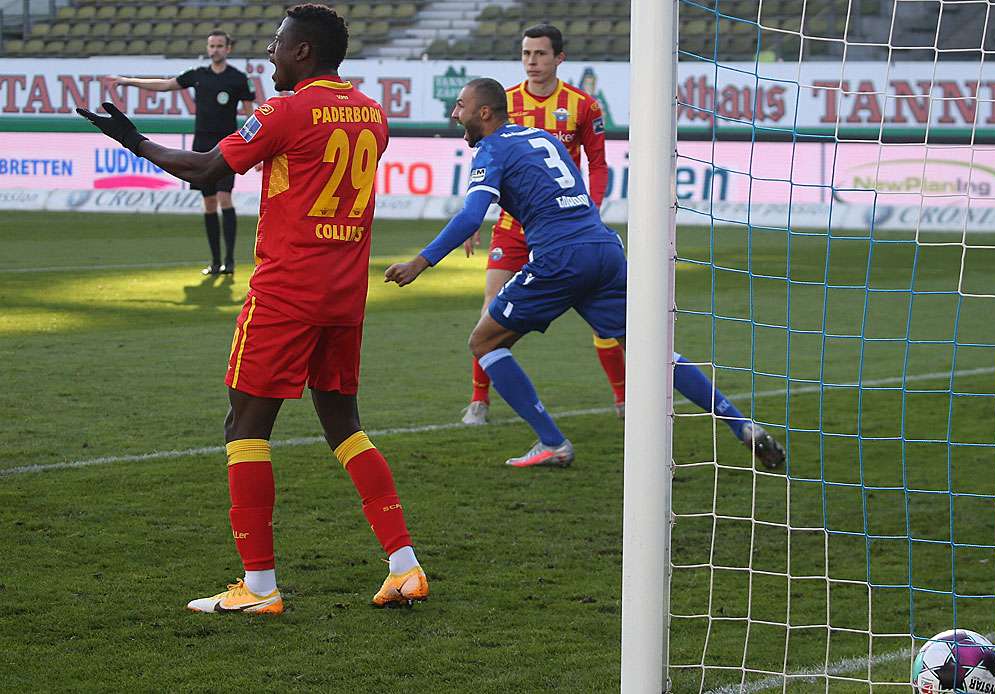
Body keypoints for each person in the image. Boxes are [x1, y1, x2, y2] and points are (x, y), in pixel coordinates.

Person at [78, 4, 428, 614]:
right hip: (344, 294)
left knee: (244, 428)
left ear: (303, 53)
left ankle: (259, 587)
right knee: (344, 425)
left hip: (287, 291)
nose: (269, 54)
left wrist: (132, 140)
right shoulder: (372, 114)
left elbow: (208, 168)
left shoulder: (286, 110)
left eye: (277, 43)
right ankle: (405, 566)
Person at [385, 78, 787, 470]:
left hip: (559, 258)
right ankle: (742, 424)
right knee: (652, 352)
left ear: (484, 113)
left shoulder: (490, 149)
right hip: (604, 248)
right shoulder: (539, 137)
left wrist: (420, 262)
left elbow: (472, 213)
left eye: (461, 106)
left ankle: (553, 443)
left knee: (484, 342)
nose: (455, 113)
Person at [458, 23, 624, 427]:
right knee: (489, 311)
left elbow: (599, 164)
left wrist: (591, 209)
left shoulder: (583, 105)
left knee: (607, 323)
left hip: (566, 228)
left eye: (541, 54)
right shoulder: (503, 102)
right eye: (526, 54)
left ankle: (624, 399)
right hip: (513, 227)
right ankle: (479, 401)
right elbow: (485, 163)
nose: (532, 62)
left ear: (558, 59)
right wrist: (472, 218)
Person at [107, 30, 257, 276]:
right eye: (212, 45)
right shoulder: (198, 75)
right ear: (208, 48)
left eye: (220, 45)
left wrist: (253, 150)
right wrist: (129, 81)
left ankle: (230, 262)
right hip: (201, 144)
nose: (215, 50)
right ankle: (215, 261)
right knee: (208, 203)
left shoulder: (238, 79)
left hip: (227, 146)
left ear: (228, 49)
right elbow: (166, 85)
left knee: (224, 198)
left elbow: (249, 116)